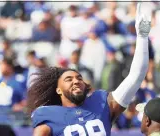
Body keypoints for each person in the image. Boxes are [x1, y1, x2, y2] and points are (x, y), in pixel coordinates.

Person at [27, 3, 151, 136]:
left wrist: (142, 37)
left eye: (79, 78)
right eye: (69, 79)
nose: (76, 81)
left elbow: (136, 76)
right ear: (58, 89)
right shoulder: (49, 116)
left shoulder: (101, 103)